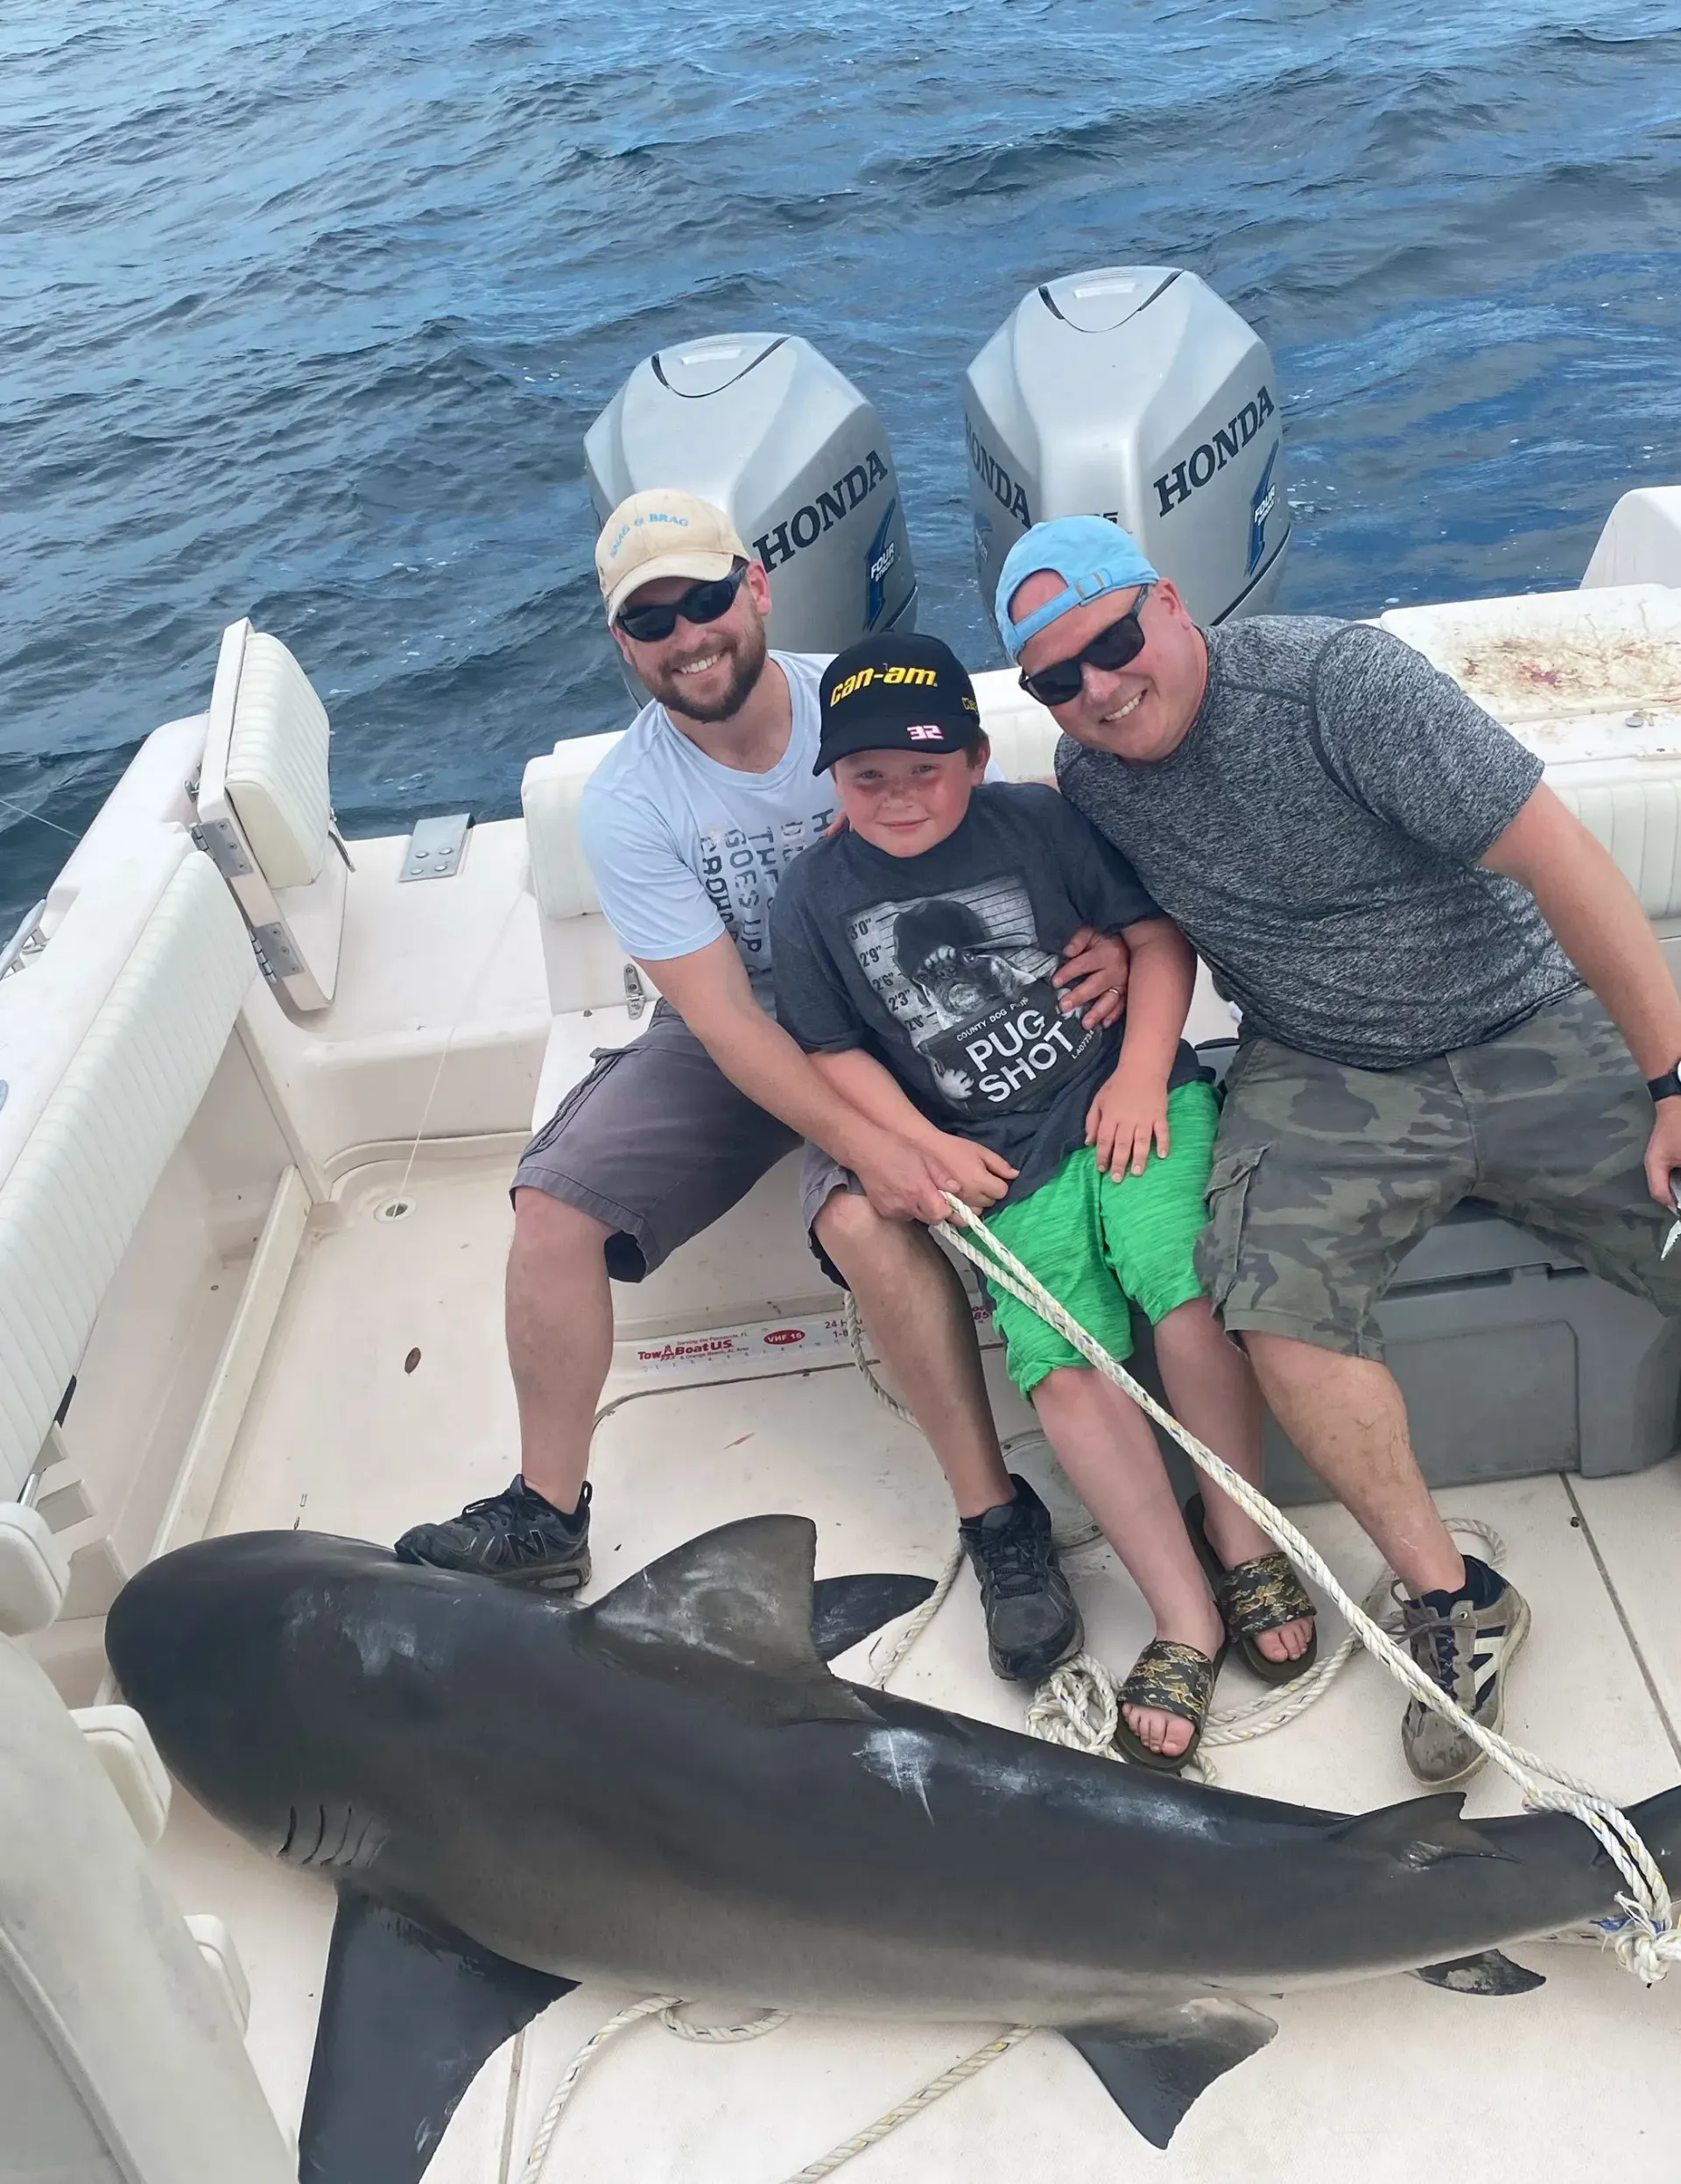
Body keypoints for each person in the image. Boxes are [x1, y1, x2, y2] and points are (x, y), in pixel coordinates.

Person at [396, 489, 1131, 1686]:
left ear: (757, 586)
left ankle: (995, 1524)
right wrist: (878, 1145)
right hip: (755, 1030)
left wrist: (1103, 937)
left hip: (933, 991)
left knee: (861, 1213)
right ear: (623, 642)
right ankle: (546, 1513)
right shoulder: (632, 803)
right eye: (651, 619)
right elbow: (731, 1024)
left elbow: (1006, 825)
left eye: (703, 597)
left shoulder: (860, 696)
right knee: (555, 1206)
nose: (687, 633)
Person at [996, 513, 1681, 1787]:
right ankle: (1454, 1596)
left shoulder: (1338, 685)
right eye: (1055, 679)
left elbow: (1563, 857)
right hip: (1321, 1061)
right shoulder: (1091, 780)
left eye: (1112, 642)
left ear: (1169, 601)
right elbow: (1154, 906)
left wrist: (1673, 1080)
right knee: (1277, 1310)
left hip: (1524, 1016)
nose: (1095, 686)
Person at [770, 631, 1318, 1769]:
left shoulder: (1040, 820)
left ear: (974, 758)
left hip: (1133, 1096)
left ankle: (1241, 1531)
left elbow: (1155, 941)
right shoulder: (813, 897)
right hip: (995, 1160)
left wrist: (1131, 1073)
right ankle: (1185, 1610)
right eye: (868, 777)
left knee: (1181, 1292)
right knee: (1060, 1359)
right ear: (831, 777)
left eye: (925, 769)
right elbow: (832, 1052)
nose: (899, 797)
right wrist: (923, 1147)